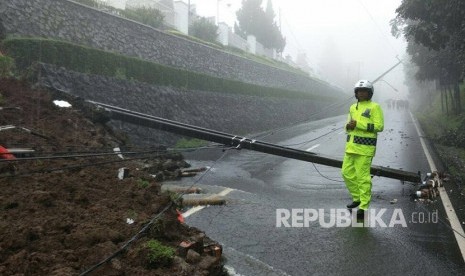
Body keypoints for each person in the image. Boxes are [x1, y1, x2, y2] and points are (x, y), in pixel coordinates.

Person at [342, 80, 384, 220]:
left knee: (362, 177)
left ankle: (364, 205)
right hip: (351, 148)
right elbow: (348, 126)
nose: (361, 93)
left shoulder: (375, 107)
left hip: (365, 149)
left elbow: (379, 126)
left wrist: (359, 124)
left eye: (364, 91)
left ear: (369, 93)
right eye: (359, 91)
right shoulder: (353, 107)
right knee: (346, 173)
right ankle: (358, 198)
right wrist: (348, 126)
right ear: (356, 93)